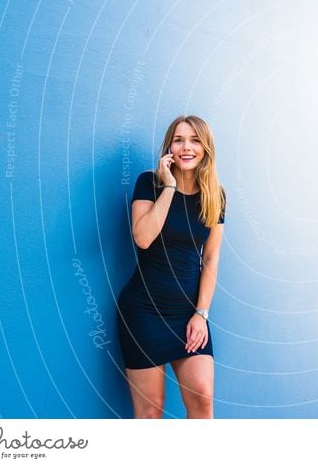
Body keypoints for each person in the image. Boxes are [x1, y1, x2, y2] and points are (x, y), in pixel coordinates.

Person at [117, 115, 225, 419]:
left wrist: (201, 314)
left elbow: (211, 258)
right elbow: (143, 238)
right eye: (178, 140)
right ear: (169, 147)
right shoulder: (148, 182)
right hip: (144, 313)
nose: (186, 147)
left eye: (194, 140)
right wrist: (169, 188)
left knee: (203, 398)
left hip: (189, 314)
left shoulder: (215, 196)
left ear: (205, 148)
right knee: (151, 411)